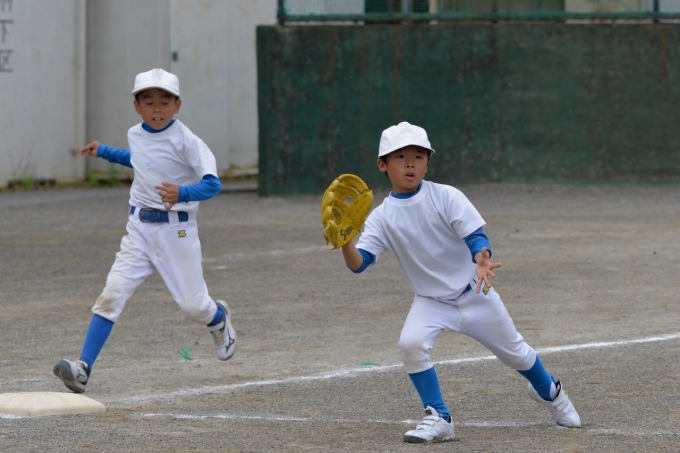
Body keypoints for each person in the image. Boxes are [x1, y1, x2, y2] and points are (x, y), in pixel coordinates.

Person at [339, 122, 581, 443]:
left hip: (475, 292)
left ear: (428, 163)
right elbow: (360, 263)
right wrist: (344, 240)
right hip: (430, 302)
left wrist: (482, 257)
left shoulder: (446, 196)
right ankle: (439, 417)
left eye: (418, 156)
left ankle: (550, 392)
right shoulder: (382, 217)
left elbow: (475, 236)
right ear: (382, 165)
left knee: (517, 354)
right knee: (410, 344)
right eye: (400, 157)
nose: (410, 164)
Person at [53, 68, 236, 393]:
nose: (157, 109)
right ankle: (82, 368)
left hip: (177, 231)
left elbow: (213, 184)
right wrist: (104, 151)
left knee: (193, 307)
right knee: (112, 294)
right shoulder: (135, 134)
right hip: (138, 229)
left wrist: (183, 193)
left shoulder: (187, 141)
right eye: (148, 102)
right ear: (137, 106)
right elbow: (140, 160)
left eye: (165, 102)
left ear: (177, 105)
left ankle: (218, 317)